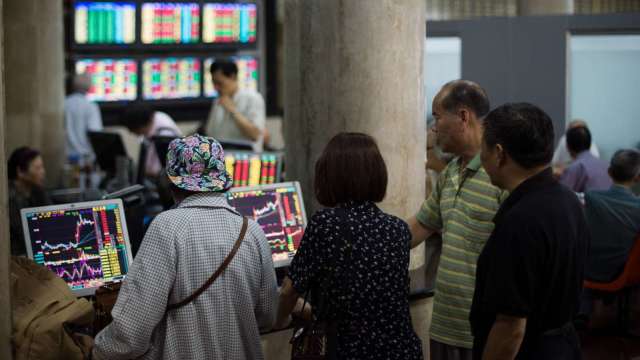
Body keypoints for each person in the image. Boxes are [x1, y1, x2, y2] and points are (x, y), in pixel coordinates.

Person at [93, 134, 278, 359]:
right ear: (222, 180)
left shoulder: (166, 227)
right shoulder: (252, 231)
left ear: (170, 182)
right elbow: (267, 316)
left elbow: (131, 333)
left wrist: (97, 350)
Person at [275, 132, 423, 359]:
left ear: (329, 175)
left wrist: (279, 319)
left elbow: (289, 291)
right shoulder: (399, 229)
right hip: (401, 350)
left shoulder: (325, 224)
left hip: (346, 351)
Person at [470, 103, 588, 360]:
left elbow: (510, 327)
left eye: (483, 150)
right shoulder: (568, 200)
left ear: (499, 153)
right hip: (564, 345)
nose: (482, 159)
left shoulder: (520, 220)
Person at [408, 80, 504, 360]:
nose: (433, 128)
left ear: (463, 116)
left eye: (437, 117)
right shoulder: (452, 171)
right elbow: (419, 227)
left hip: (482, 332)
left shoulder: (501, 175)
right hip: (444, 326)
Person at [584, 149, 640, 283]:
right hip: (622, 273)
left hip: (588, 269)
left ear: (609, 172)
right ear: (637, 178)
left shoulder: (591, 197)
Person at [203, 59, 266, 152]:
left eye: (220, 83)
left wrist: (232, 111)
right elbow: (210, 135)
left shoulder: (253, 98)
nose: (216, 88)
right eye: (214, 83)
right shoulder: (217, 101)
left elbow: (255, 135)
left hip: (246, 160)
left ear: (233, 77)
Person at [7, 147, 51, 256]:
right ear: (20, 172)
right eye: (38, 168)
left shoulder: (38, 190)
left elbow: (51, 221)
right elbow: (25, 235)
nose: (43, 172)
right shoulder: (9, 198)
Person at [122, 104, 182, 178]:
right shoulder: (155, 118)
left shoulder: (165, 135)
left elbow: (159, 171)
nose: (131, 133)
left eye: (134, 129)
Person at [559, 125, 612, 192]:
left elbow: (563, 194)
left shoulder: (576, 167)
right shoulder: (607, 165)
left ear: (567, 146)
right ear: (590, 143)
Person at [64, 73, 103, 162]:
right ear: (89, 87)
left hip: (68, 156)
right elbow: (95, 133)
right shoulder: (90, 106)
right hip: (86, 158)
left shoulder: (64, 103)